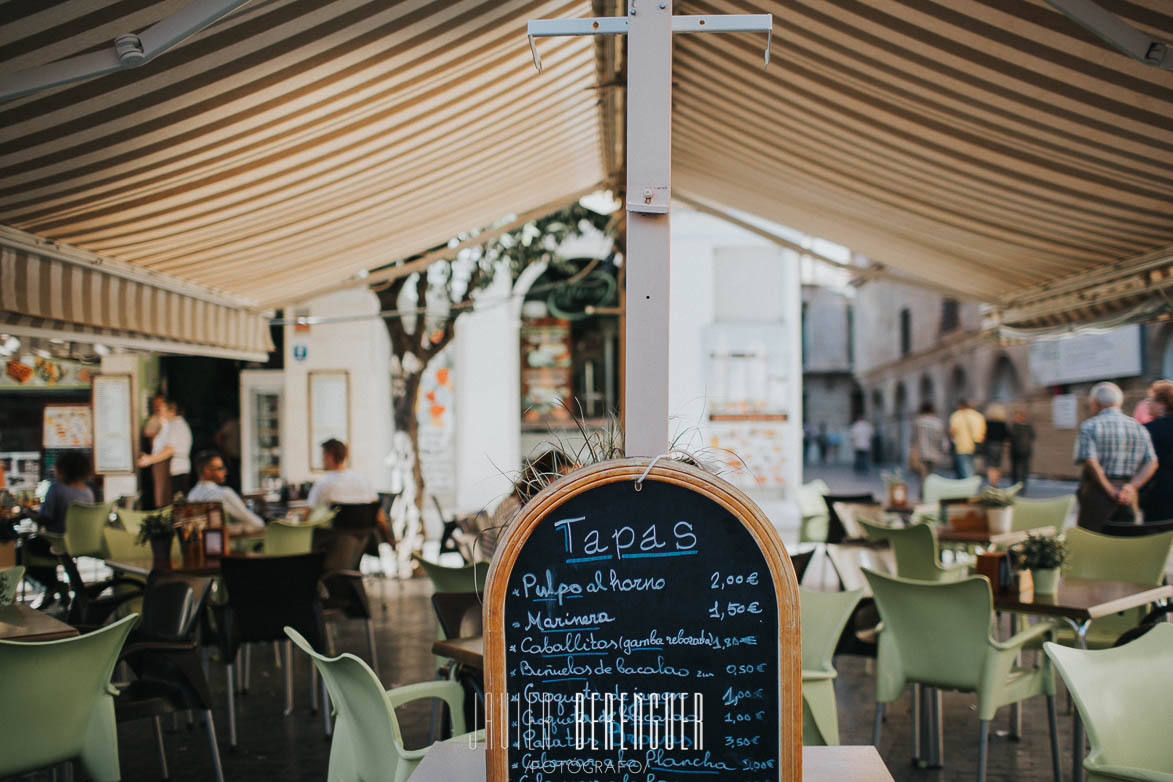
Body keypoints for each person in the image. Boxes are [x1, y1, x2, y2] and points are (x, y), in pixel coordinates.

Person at [1074, 381, 1157, 531]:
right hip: (1128, 496)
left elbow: (1089, 461)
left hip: (1097, 494)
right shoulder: (1138, 427)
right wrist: (1131, 487)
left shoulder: (1090, 426)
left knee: (1091, 543)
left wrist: (1110, 489)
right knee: (1123, 543)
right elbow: (1151, 462)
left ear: (1095, 403)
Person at [25, 451, 94, 607]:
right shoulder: (88, 492)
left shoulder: (56, 489)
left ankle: (51, 586)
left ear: (62, 469)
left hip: (55, 544)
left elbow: (44, 518)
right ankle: (55, 588)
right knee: (43, 544)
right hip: (76, 544)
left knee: (22, 549)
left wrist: (26, 513)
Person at [186, 451, 265, 534]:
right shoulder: (224, 493)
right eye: (220, 468)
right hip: (227, 543)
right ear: (207, 471)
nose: (225, 471)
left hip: (201, 543)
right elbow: (257, 524)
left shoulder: (191, 495)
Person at [136, 399, 193, 497]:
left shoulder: (176, 425)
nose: (159, 413)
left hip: (175, 469)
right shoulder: (172, 424)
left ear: (171, 411)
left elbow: (169, 450)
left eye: (161, 410)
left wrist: (150, 460)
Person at [307, 439, 378, 507]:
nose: (322, 460)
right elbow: (378, 512)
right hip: (364, 520)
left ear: (329, 457)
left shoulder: (322, 483)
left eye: (323, 456)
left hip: (337, 519)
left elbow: (306, 515)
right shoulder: (364, 480)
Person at [1141, 380, 1173, 522]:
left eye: (1150, 400)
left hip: (1158, 493)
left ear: (1163, 403)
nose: (1147, 403)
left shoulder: (1148, 430)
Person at [910, 402, 947, 495]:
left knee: (923, 477)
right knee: (932, 475)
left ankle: (924, 494)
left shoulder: (918, 422)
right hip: (935, 453)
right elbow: (942, 438)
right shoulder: (938, 422)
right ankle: (931, 493)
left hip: (921, 453)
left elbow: (913, 438)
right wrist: (944, 450)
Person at [948, 399, 986, 479]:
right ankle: (971, 483)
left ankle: (968, 485)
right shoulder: (978, 416)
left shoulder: (957, 415)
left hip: (961, 445)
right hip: (976, 445)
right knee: (972, 466)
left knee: (964, 468)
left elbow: (952, 431)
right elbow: (983, 432)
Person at [1007, 407, 1036, 493]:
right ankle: (1016, 485)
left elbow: (1032, 436)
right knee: (1017, 469)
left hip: (1021, 451)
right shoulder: (1026, 426)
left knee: (1022, 470)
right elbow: (1033, 436)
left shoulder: (1015, 426)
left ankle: (1021, 485)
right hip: (1019, 451)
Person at [984, 403, 1008, 486]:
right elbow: (1006, 435)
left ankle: (992, 481)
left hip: (990, 445)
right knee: (998, 464)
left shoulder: (987, 423)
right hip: (1000, 445)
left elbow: (985, 434)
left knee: (990, 464)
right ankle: (996, 481)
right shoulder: (1003, 424)